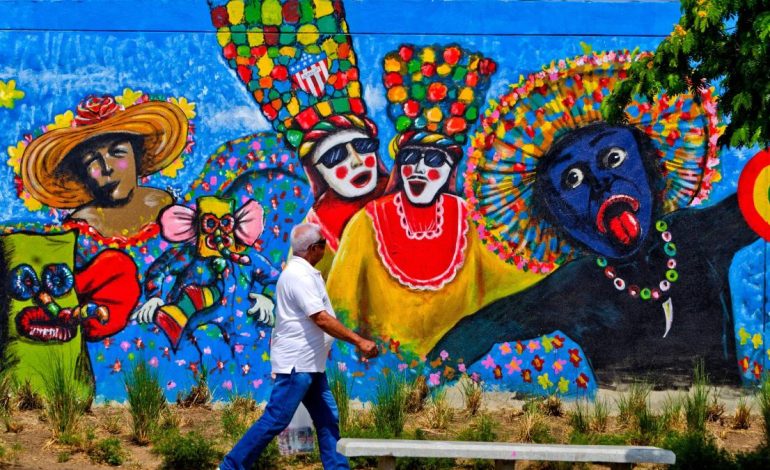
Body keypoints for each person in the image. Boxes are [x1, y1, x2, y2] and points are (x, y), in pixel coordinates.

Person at [220, 222, 378, 470]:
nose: (326, 248)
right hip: (298, 366)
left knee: (327, 418)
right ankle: (230, 466)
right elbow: (321, 318)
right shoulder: (299, 276)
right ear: (314, 248)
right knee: (275, 419)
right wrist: (359, 341)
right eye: (323, 244)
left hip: (311, 365)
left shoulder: (304, 273)